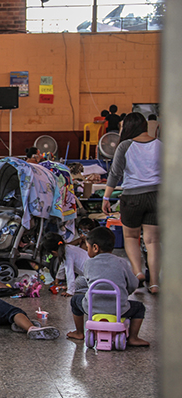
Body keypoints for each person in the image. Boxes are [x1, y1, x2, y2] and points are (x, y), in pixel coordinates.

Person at [102, 112, 161, 294]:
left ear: (127, 127)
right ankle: (155, 283)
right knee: (152, 241)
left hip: (132, 197)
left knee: (130, 237)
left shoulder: (125, 146)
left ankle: (137, 273)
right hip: (157, 196)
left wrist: (106, 197)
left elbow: (115, 174)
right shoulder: (160, 145)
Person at [66, 227, 149, 346]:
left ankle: (79, 332)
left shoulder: (88, 264)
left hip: (92, 309)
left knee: (75, 301)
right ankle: (133, 337)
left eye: (87, 247)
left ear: (95, 247)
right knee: (140, 307)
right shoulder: (121, 262)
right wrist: (123, 293)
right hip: (119, 310)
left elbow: (89, 283)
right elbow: (133, 284)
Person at [40, 232, 88, 297]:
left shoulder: (68, 254)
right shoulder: (67, 248)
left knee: (82, 290)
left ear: (53, 252)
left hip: (90, 275)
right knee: (77, 285)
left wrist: (70, 292)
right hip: (87, 274)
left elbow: (69, 273)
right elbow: (62, 265)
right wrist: (58, 279)